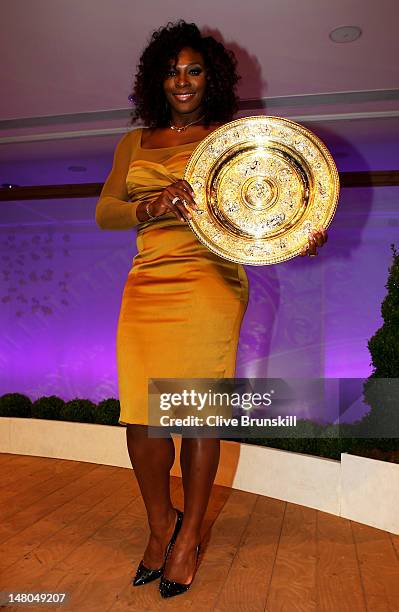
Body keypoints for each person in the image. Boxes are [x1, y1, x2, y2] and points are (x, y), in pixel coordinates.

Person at [95, 20, 328, 599]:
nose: (183, 80)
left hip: (209, 282)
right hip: (147, 282)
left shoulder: (232, 139)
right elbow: (105, 211)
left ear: (211, 78)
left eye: (194, 69)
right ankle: (160, 526)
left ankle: (190, 535)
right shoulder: (135, 143)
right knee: (142, 417)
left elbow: (271, 205)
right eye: (172, 70)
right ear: (157, 78)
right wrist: (149, 205)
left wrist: (300, 230)